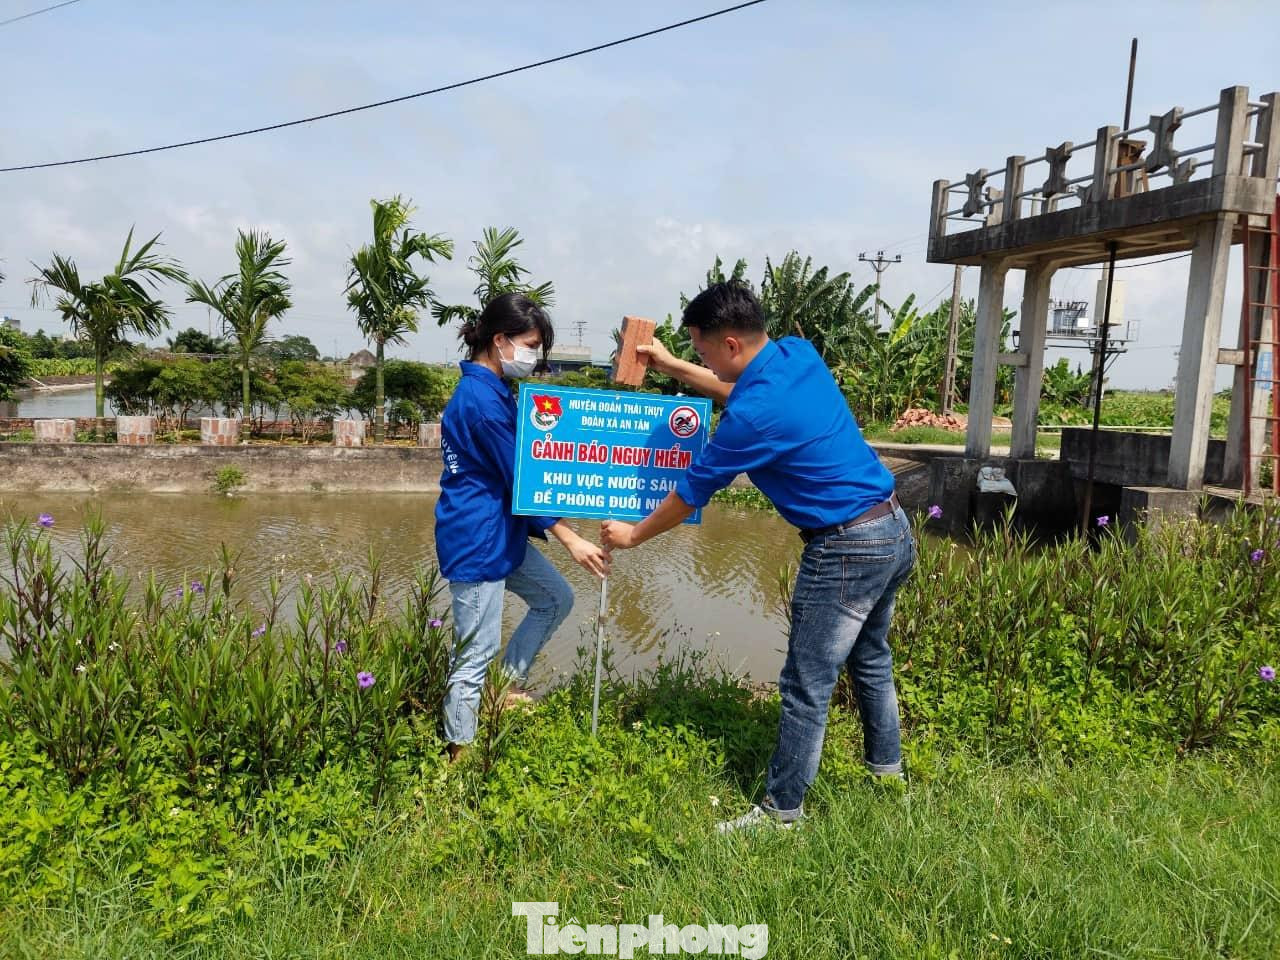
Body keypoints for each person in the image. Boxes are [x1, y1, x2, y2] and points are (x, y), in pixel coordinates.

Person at [600, 282, 914, 831]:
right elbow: (733, 388)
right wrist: (672, 366)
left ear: (730, 344)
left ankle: (781, 814)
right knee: (871, 659)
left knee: (805, 684)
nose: (702, 362)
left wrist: (633, 536)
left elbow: (691, 492)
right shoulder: (796, 354)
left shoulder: (750, 420)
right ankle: (887, 775)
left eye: (702, 351)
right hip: (891, 528)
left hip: (845, 547)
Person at [435, 293, 610, 762]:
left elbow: (532, 458)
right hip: (478, 539)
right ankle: (458, 758)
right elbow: (522, 478)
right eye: (530, 345)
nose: (532, 356)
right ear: (500, 340)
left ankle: (502, 688)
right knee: (474, 652)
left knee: (555, 599)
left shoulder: (495, 390)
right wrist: (570, 538)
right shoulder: (481, 401)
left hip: (501, 533)